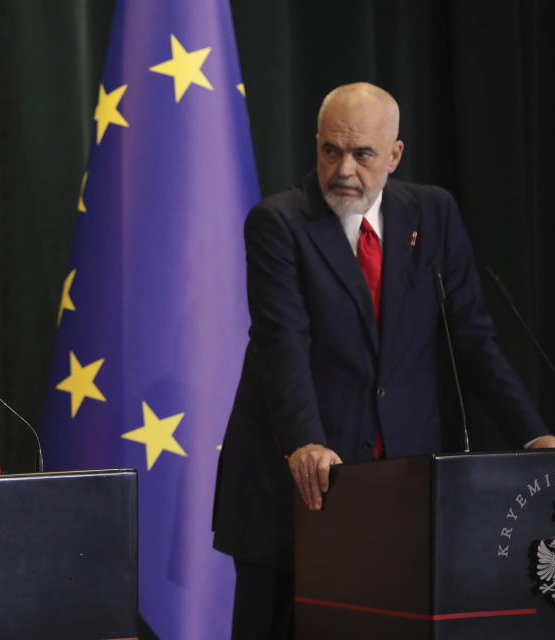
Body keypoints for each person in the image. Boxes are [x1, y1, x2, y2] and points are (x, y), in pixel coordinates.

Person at [212, 82, 555, 639]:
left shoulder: (433, 213)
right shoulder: (279, 223)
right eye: (331, 151)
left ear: (395, 155)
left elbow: (471, 337)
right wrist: (305, 440)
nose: (344, 168)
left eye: (362, 154)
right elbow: (283, 342)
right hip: (298, 488)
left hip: (402, 488)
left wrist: (533, 437)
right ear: (317, 144)